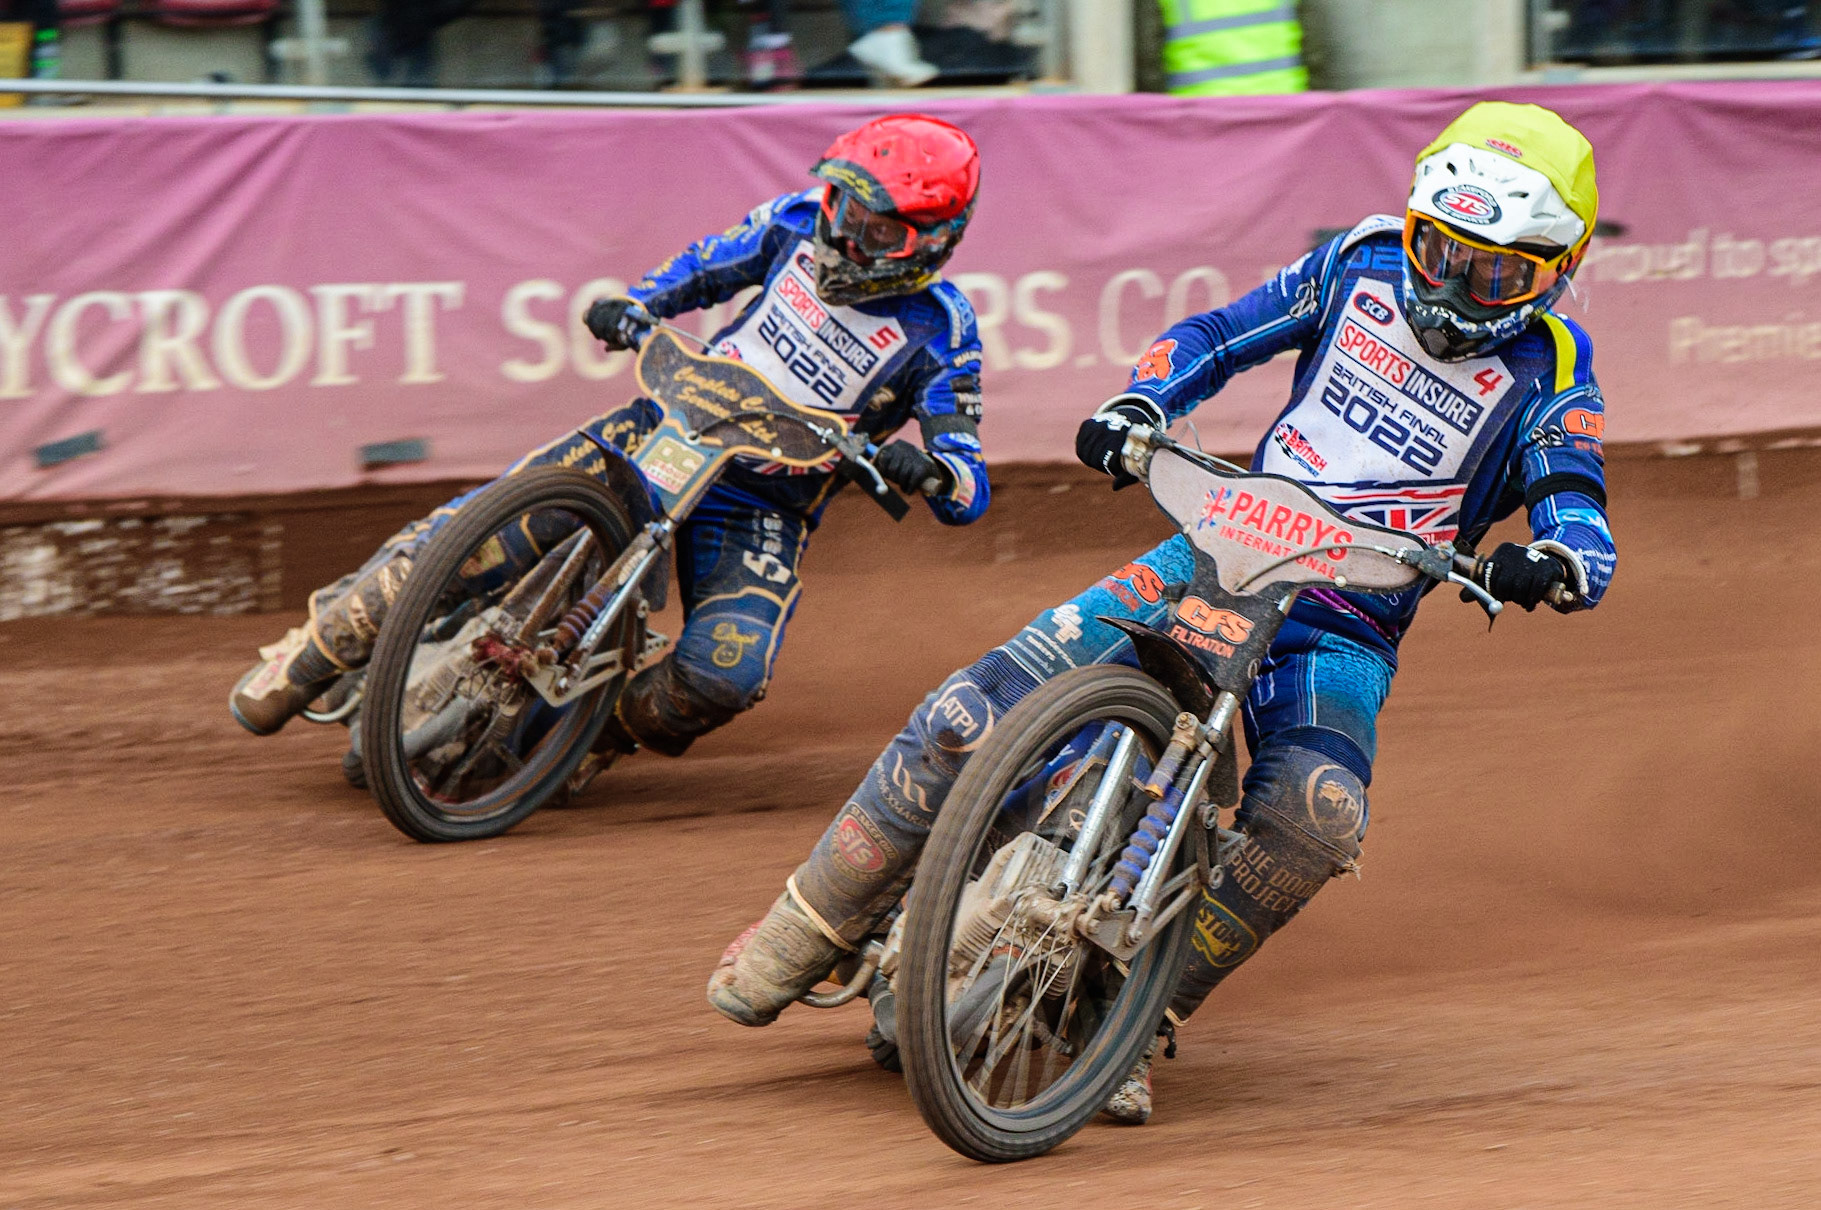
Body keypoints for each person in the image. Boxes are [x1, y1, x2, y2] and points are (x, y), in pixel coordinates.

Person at [706, 101, 1617, 1125]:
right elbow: (1216, 335)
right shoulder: (1356, 262)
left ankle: (1127, 1016)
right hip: (1220, 544)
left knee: (1315, 817)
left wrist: (1563, 558)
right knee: (970, 710)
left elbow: (1575, 489)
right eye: (1437, 250)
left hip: (1345, 622)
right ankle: (807, 920)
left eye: (1494, 271)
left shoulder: (1557, 366)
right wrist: (1143, 401)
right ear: (1408, 225)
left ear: (1557, 266)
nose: (1452, 285)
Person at [231, 115, 989, 775]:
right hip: (663, 430)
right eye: (845, 208)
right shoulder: (794, 221)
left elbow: (967, 482)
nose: (848, 235)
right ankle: (310, 653)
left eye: (878, 230)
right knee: (473, 536)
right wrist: (638, 303)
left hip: (762, 500)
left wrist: (926, 469)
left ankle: (594, 734)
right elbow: (702, 268)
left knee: (725, 671)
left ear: (934, 241)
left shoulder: (941, 331)